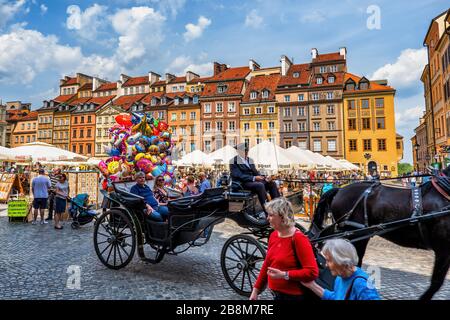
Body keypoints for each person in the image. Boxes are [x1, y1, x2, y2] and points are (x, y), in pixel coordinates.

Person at [250, 198, 319, 300]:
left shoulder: (299, 239)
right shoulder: (273, 235)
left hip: (294, 297)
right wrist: (256, 290)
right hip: (276, 295)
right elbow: (267, 264)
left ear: (282, 217)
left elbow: (312, 272)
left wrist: (284, 275)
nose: (267, 218)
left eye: (271, 215)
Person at [301, 239, 380, 300]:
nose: (326, 265)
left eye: (329, 261)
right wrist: (312, 285)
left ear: (342, 261)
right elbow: (336, 297)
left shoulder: (361, 284)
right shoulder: (340, 277)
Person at [230, 143, 280, 209]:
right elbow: (239, 176)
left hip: (252, 182)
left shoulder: (250, 160)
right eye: (244, 151)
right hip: (241, 183)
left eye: (246, 151)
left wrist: (264, 178)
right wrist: (254, 178)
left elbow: (255, 172)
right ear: (238, 152)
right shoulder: (233, 161)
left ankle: (278, 206)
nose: (246, 152)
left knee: (271, 183)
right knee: (260, 185)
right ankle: (268, 210)